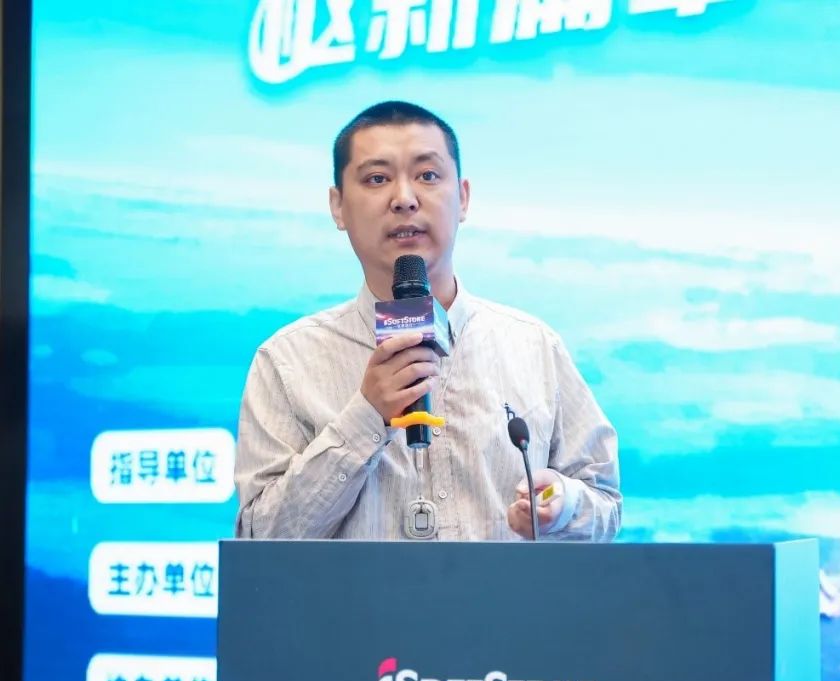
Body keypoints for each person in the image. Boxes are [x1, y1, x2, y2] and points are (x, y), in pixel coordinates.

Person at [233, 100, 621, 541]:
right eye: (377, 179)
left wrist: (563, 507)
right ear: (338, 206)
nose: (404, 199)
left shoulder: (533, 347)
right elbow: (259, 539)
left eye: (428, 175)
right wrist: (365, 416)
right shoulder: (287, 361)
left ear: (463, 198)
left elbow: (605, 504)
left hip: (502, 591)